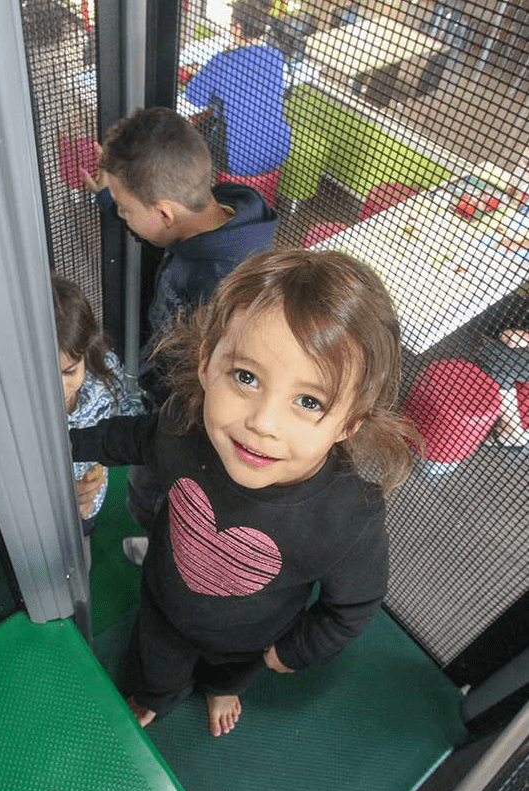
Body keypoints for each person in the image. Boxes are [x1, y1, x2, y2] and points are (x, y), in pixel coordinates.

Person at [69, 248, 420, 736]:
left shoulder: (348, 514)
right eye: (246, 377)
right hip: (164, 600)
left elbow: (354, 604)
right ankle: (157, 695)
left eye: (308, 400)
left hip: (250, 638)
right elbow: (132, 437)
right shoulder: (184, 426)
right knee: (154, 663)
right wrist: (66, 442)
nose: (262, 422)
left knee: (229, 674)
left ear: (351, 421)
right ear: (206, 363)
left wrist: (295, 650)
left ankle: (221, 688)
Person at [83, 105, 279, 536]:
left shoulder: (221, 289)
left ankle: (162, 546)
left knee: (155, 493)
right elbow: (156, 230)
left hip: (183, 420)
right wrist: (110, 194)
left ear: (165, 212)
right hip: (170, 389)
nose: (122, 216)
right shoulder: (218, 213)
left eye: (123, 208)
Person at [51, 272, 141, 535]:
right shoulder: (18, 417)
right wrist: (64, 497)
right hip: (45, 514)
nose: (59, 387)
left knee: (83, 546)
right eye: (46, 376)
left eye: (69, 372)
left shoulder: (106, 373)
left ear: (85, 353)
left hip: (92, 500)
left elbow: (126, 413)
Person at [182, 0, 293, 206]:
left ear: (238, 27)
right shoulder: (276, 57)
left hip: (238, 154)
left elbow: (195, 97)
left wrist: (201, 73)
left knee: (202, 132)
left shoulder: (223, 61)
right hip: (276, 147)